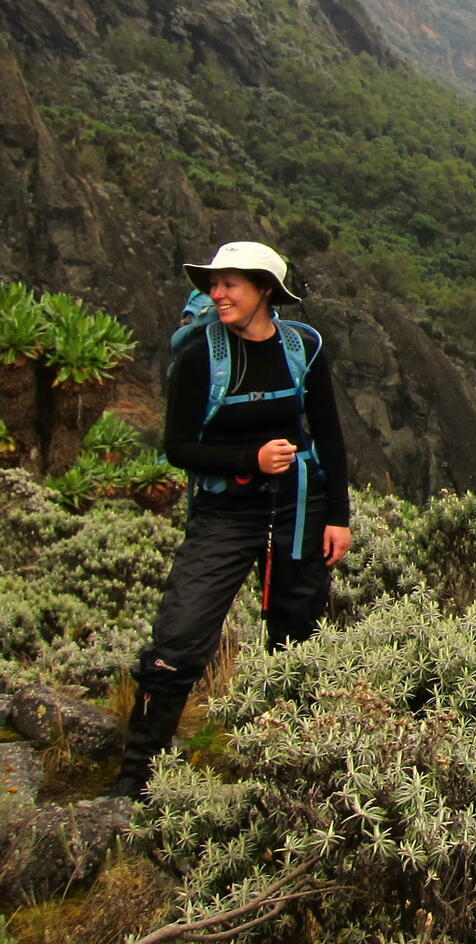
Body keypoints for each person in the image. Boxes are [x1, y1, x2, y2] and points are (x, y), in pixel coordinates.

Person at [110, 242, 352, 799]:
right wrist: (250, 460)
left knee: (296, 637)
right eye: (213, 285)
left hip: (298, 509)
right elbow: (177, 447)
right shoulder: (200, 358)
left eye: (229, 284)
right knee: (179, 638)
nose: (217, 294)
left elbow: (329, 435)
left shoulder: (303, 348)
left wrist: (337, 517)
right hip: (225, 512)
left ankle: (291, 770)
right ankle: (136, 777)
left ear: (264, 289)